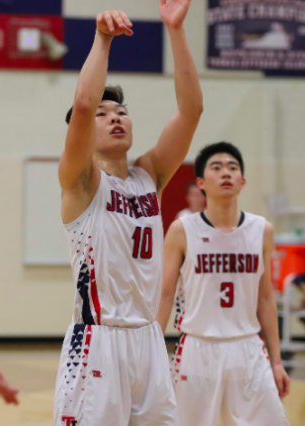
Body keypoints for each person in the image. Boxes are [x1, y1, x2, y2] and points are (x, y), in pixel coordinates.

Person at [55, 4, 202, 426]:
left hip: (148, 341)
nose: (114, 117)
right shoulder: (80, 181)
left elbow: (191, 112)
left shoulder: (148, 176)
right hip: (97, 341)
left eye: (120, 112)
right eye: (105, 115)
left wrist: (175, 31)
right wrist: (102, 39)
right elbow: (83, 105)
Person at [157, 142, 290, 426]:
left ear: (242, 182)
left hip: (248, 348)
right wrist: (152, 355)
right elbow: (165, 295)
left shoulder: (261, 230)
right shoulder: (182, 230)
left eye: (233, 168)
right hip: (197, 349)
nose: (226, 173)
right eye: (216, 168)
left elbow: (265, 299)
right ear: (201, 183)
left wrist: (277, 362)